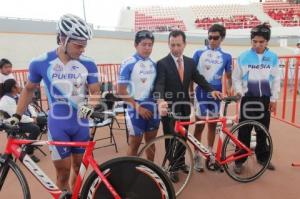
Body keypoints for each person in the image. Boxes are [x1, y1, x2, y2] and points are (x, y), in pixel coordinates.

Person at [6, 14, 99, 193]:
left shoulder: (89, 64)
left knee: (79, 168)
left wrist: (91, 106)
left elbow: (95, 91)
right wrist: (17, 116)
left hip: (81, 123)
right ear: (63, 39)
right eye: (78, 45)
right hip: (58, 124)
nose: (82, 49)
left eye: (84, 45)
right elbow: (28, 89)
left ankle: (76, 194)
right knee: (62, 172)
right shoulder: (40, 62)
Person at [155, 30, 222, 183]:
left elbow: (199, 78)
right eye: (172, 45)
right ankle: (172, 167)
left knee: (183, 137)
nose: (175, 48)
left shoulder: (190, 62)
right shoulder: (162, 63)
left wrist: (211, 91)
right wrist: (160, 101)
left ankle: (180, 162)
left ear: (184, 44)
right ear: (168, 44)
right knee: (170, 138)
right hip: (169, 107)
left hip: (184, 106)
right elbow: (159, 85)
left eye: (178, 45)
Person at [232, 23, 280, 173]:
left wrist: (273, 99)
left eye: (261, 42)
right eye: (254, 41)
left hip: (265, 100)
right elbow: (236, 78)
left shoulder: (272, 57)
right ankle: (239, 160)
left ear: (267, 42)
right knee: (244, 131)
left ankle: (262, 157)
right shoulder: (244, 56)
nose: (257, 45)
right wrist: (240, 92)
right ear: (251, 41)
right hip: (248, 99)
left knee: (263, 130)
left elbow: (276, 79)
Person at [192, 24, 232, 172]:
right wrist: (190, 92)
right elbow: (192, 74)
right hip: (201, 95)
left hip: (216, 96)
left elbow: (228, 77)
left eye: (215, 38)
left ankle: (209, 153)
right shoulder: (198, 53)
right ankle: (196, 155)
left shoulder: (226, 56)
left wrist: (228, 91)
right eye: (210, 37)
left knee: (212, 126)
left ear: (222, 38)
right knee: (199, 125)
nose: (212, 40)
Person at [117, 30, 159, 160]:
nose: (147, 48)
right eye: (144, 44)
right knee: (134, 144)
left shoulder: (154, 64)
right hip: (135, 109)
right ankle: (130, 173)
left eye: (150, 45)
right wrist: (138, 108)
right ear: (136, 45)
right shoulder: (128, 63)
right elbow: (121, 91)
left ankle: (151, 171)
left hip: (152, 108)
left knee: (151, 144)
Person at [0, 79, 41, 162]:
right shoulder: (5, 100)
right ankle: (29, 151)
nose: (20, 86)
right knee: (35, 129)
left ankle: (30, 143)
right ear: (13, 88)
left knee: (44, 120)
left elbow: (29, 106)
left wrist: (34, 116)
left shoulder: (18, 96)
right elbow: (17, 116)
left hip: (26, 118)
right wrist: (31, 120)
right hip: (15, 122)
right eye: (18, 84)